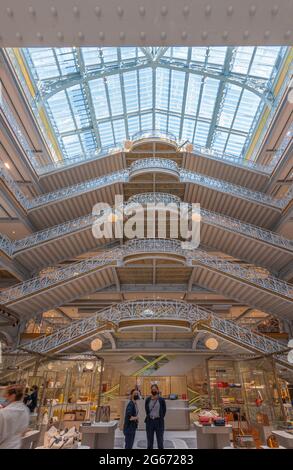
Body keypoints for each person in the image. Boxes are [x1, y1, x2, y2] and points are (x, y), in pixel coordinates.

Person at [145, 384, 166, 449]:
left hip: (159, 422)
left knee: (160, 440)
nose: (153, 390)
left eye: (155, 389)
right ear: (151, 390)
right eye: (152, 389)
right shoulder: (148, 399)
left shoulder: (161, 400)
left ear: (157, 390)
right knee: (149, 440)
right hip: (150, 422)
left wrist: (160, 417)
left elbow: (164, 410)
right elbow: (146, 410)